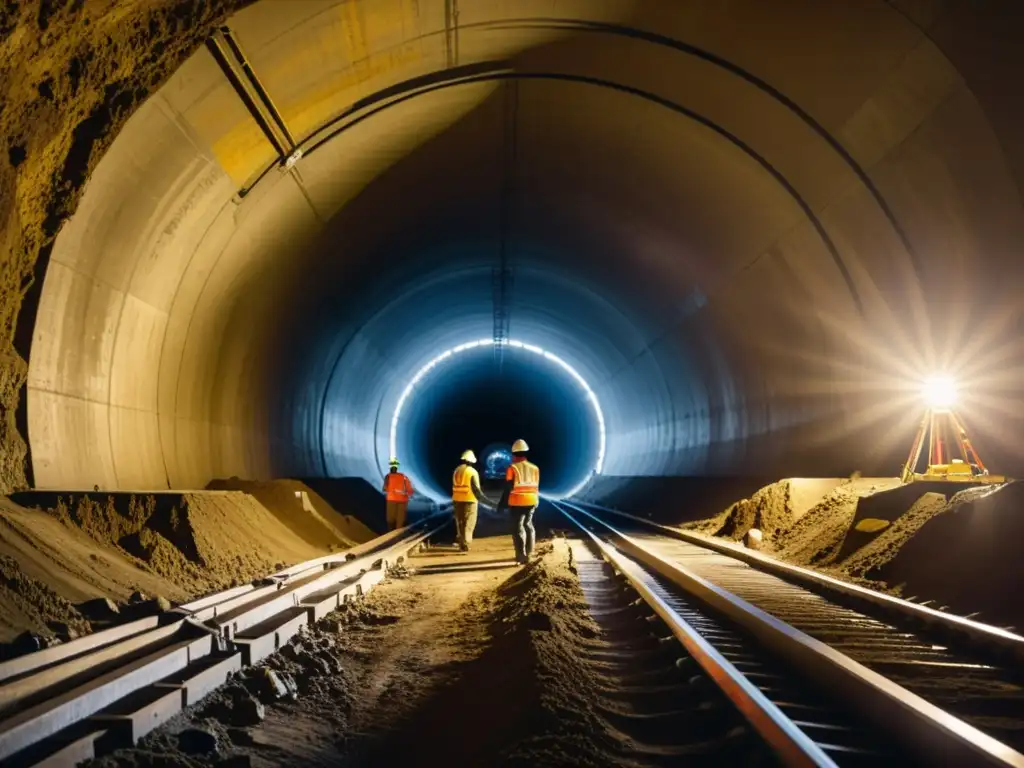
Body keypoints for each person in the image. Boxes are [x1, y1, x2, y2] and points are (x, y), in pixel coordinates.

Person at [498, 439, 539, 565]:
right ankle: (530, 552)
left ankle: (521, 555)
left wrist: (502, 504)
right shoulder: (535, 468)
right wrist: (536, 500)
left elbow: (508, 488)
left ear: (514, 454)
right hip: (532, 500)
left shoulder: (512, 468)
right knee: (529, 525)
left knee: (517, 528)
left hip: (517, 501)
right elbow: (536, 486)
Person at [452, 449, 489, 551]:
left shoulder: (456, 470)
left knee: (460, 521)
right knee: (469, 521)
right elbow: (476, 488)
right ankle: (466, 543)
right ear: (471, 461)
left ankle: (461, 541)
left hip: (457, 499)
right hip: (470, 499)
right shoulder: (472, 472)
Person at [382, 458, 413, 530]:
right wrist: (405, 493)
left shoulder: (389, 476)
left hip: (395, 500)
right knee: (398, 520)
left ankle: (394, 534)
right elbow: (410, 490)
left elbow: (384, 488)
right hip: (399, 500)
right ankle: (396, 534)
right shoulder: (402, 477)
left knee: (392, 520)